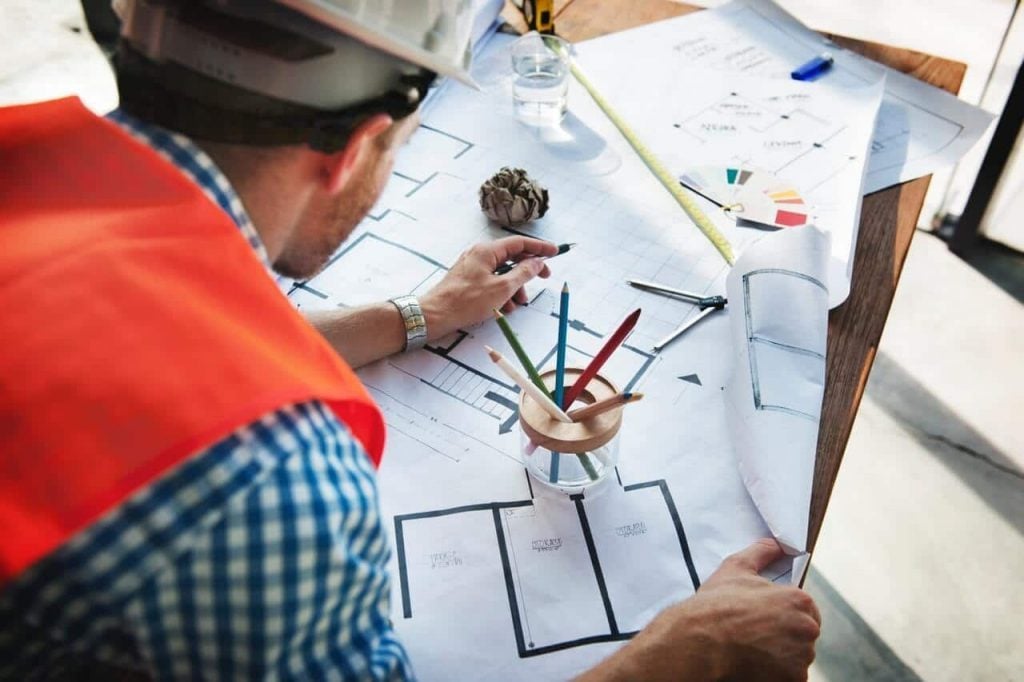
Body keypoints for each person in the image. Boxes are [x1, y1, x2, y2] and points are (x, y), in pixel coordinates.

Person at [0, 1, 820, 679]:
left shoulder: (27, 180)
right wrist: (679, 657)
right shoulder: (272, 474)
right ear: (355, 147)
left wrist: (419, 314)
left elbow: (152, 333)